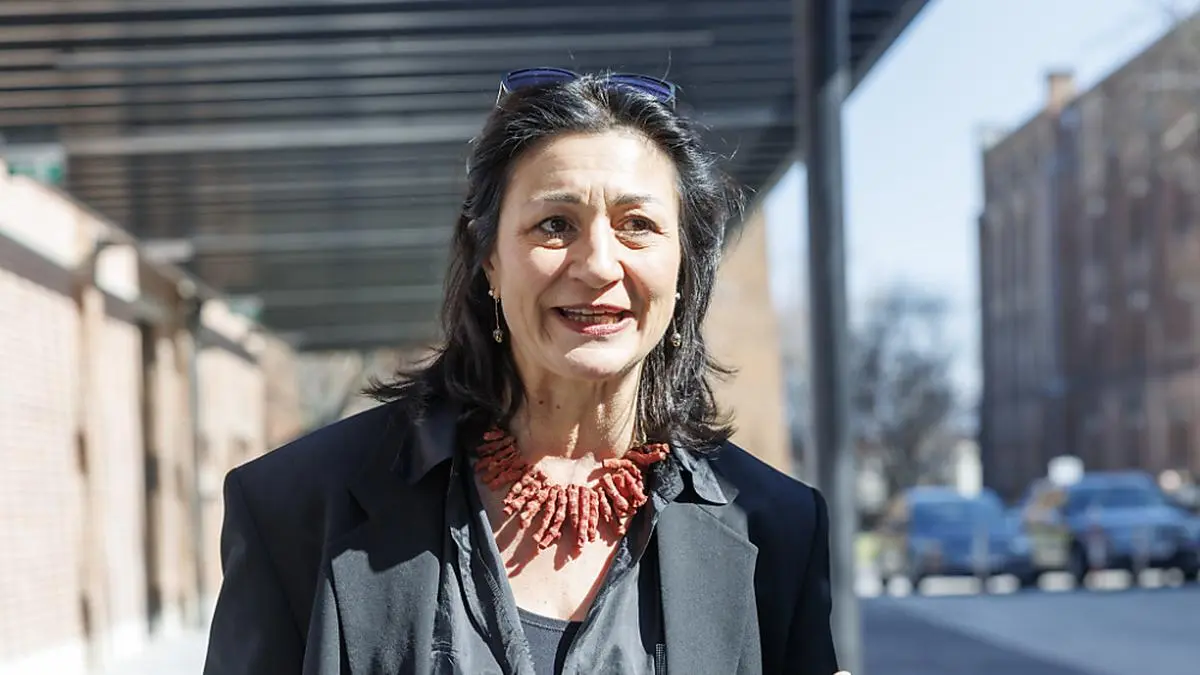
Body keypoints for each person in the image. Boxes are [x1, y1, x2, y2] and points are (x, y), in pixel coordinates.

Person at [203, 67, 842, 675]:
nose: (599, 264)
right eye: (555, 225)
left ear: (683, 268)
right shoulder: (294, 510)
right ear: (489, 259)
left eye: (638, 225)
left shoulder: (779, 529)